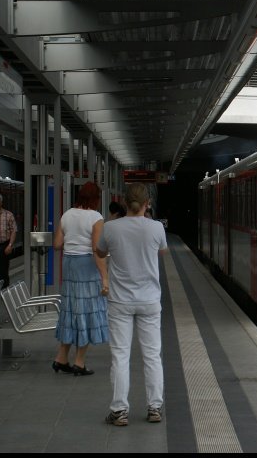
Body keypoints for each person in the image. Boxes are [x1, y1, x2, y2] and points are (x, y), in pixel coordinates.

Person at [97, 183, 167, 426]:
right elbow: (163, 251)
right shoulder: (157, 227)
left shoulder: (110, 228)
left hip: (120, 301)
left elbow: (99, 250)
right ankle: (154, 408)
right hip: (149, 300)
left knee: (120, 356)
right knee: (152, 356)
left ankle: (119, 411)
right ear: (147, 204)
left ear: (125, 203)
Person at [52, 181, 110, 376]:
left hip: (69, 265)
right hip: (86, 267)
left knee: (71, 309)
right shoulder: (96, 217)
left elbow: (58, 244)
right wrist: (104, 278)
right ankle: (79, 362)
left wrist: (73, 239)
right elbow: (96, 249)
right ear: (95, 198)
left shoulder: (67, 214)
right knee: (87, 311)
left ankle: (61, 359)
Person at [0, 192, 17, 287]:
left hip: (4, 246)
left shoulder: (8, 215)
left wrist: (10, 245)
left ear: (1, 202)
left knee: (4, 271)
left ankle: (4, 292)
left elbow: (14, 231)